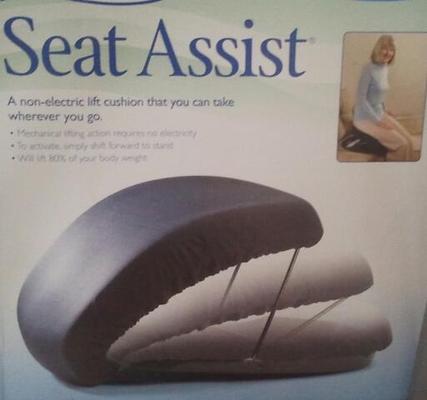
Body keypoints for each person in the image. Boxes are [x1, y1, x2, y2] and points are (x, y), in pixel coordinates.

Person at [353, 35, 414, 161]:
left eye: (391, 49)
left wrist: (385, 109)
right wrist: (378, 121)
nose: (388, 53)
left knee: (409, 141)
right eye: (384, 48)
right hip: (364, 118)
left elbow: (377, 94)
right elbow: (361, 100)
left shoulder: (384, 67)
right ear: (377, 49)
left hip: (379, 113)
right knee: (402, 144)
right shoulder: (368, 68)